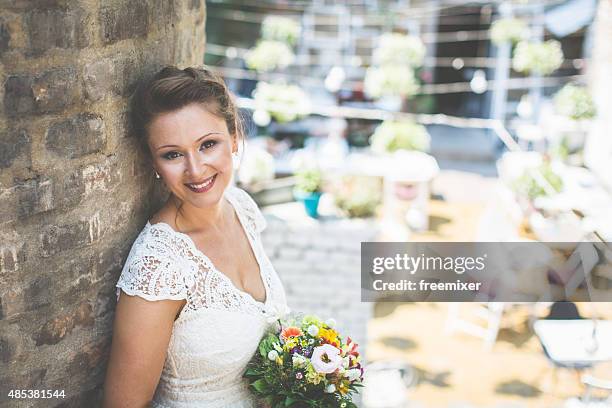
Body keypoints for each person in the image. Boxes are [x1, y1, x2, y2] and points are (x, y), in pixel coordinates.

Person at [103, 66, 288, 407]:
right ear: (154, 164)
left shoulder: (241, 208)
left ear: (234, 138)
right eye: (172, 154)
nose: (196, 169)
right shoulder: (159, 265)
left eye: (208, 145)